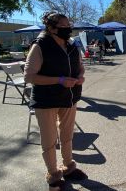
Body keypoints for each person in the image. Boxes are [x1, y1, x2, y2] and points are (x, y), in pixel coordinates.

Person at [24, 11, 87, 190]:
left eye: (69, 26)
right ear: (51, 28)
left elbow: (81, 68)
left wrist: (80, 77)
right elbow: (29, 76)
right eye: (63, 27)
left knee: (67, 136)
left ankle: (68, 167)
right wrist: (59, 80)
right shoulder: (40, 45)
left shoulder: (72, 45)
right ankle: (53, 175)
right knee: (49, 140)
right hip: (46, 100)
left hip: (69, 98)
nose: (68, 29)